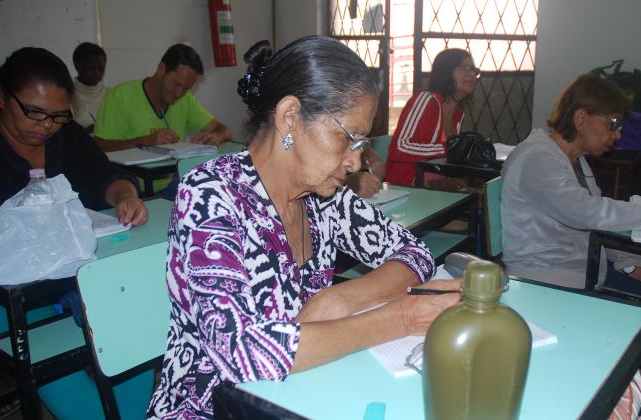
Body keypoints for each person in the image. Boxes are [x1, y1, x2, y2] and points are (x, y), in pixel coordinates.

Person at [147, 36, 460, 419]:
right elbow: (242, 352)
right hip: (212, 405)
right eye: (350, 139)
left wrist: (341, 299)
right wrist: (403, 318)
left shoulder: (323, 196)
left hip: (302, 390)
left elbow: (415, 254)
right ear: (290, 117)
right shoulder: (211, 194)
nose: (357, 162)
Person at [500, 73, 641, 392]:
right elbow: (589, 213)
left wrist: (629, 261)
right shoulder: (537, 157)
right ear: (581, 117)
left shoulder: (573, 159)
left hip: (583, 264)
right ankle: (628, 397)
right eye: (613, 123)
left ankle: (634, 391)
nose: (617, 135)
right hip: (550, 276)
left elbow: (598, 214)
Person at [0, 47, 147, 227]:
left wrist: (126, 197)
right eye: (34, 112)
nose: (47, 124)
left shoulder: (67, 134)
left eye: (58, 115)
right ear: (1, 97)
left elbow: (106, 174)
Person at [93, 43, 232, 151]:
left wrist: (216, 136)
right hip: (130, 184)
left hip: (170, 181)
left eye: (186, 88)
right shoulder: (120, 98)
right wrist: (146, 141)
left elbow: (224, 130)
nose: (179, 93)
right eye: (176, 84)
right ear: (161, 69)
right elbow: (100, 148)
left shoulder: (185, 99)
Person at [385, 48, 478, 187]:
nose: (471, 74)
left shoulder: (457, 114)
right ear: (446, 71)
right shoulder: (425, 100)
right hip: (407, 187)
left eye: (474, 70)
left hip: (435, 185)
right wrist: (446, 149)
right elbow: (399, 148)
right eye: (464, 67)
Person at [71, 42, 107, 130]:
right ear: (77, 66)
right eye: (91, 68)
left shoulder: (112, 95)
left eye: (101, 68)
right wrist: (86, 132)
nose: (96, 73)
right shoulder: (67, 96)